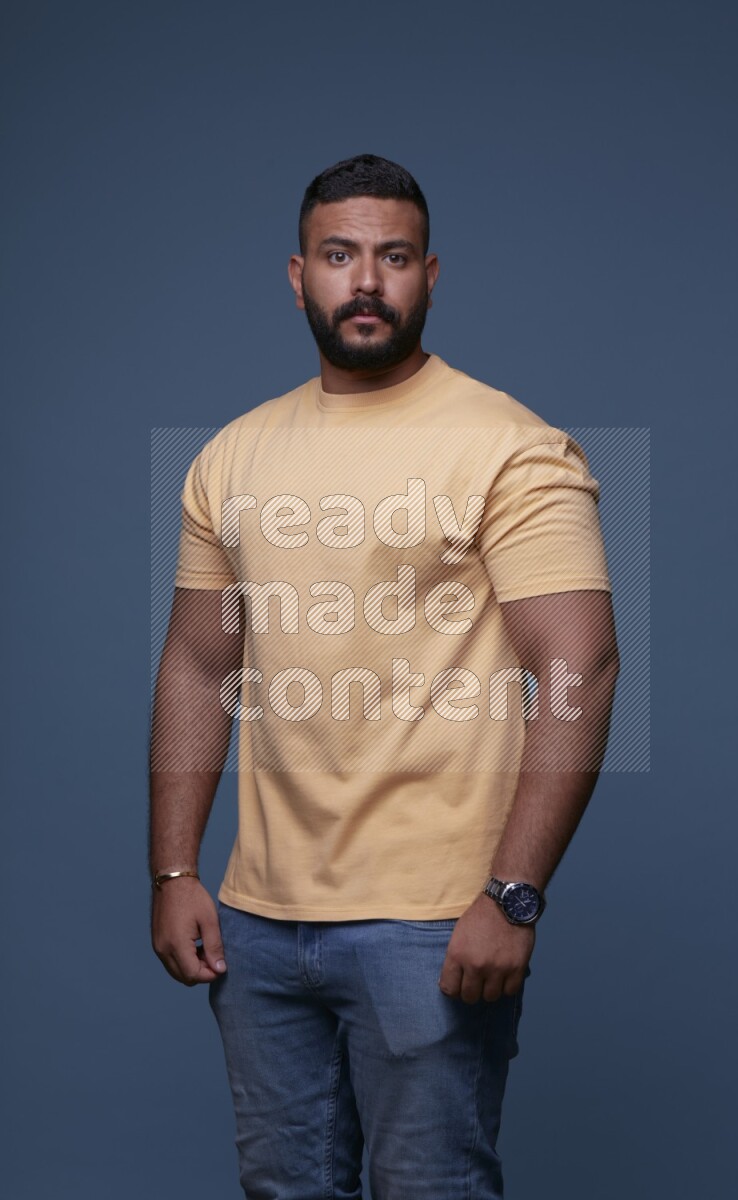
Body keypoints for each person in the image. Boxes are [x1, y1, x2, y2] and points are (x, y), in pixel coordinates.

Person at [149, 153, 619, 1199]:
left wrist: (512, 894)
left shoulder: (507, 447)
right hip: (258, 926)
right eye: (338, 255)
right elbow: (197, 661)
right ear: (296, 273)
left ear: (429, 274)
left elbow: (576, 665)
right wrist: (175, 870)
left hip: (431, 922)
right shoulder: (231, 457)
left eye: (392, 256)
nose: (365, 280)